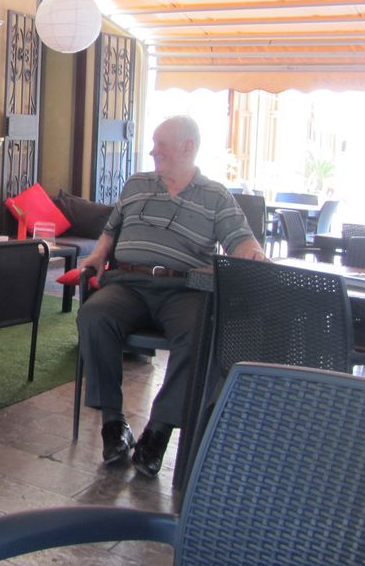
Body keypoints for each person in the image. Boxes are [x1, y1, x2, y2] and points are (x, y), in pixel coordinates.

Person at [77, 115, 267, 477]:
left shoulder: (215, 196)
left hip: (183, 290)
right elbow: (111, 229)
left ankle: (158, 431)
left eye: (160, 145)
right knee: (93, 315)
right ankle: (113, 423)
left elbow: (241, 242)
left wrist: (255, 256)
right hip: (128, 285)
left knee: (201, 333)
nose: (152, 151)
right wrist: (99, 254)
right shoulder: (136, 184)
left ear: (187, 148)